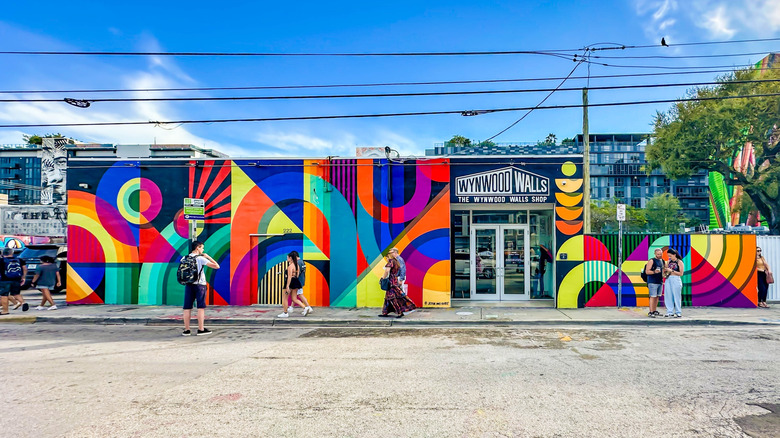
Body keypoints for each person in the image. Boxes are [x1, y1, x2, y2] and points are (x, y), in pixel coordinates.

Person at [182, 241, 219, 336]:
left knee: (187, 308)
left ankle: (186, 330)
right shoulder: (201, 259)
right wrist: (208, 257)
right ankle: (201, 329)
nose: (203, 250)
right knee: (200, 307)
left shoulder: (184, 258)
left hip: (189, 284)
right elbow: (217, 266)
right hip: (200, 285)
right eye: (202, 247)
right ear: (197, 248)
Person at [378, 251, 416, 318]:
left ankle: (400, 312)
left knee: (393, 298)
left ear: (388, 256)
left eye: (386, 257)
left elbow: (387, 271)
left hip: (391, 282)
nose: (386, 259)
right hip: (395, 281)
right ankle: (385, 312)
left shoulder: (390, 262)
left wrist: (382, 278)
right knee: (388, 297)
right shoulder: (396, 262)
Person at [278, 252, 309, 317]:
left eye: (287, 257)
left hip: (290, 282)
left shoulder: (290, 266)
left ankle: (285, 313)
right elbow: (297, 275)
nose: (287, 259)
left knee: (285, 298)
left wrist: (287, 286)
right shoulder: (297, 265)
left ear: (290, 258)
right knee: (294, 298)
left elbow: (289, 277)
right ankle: (305, 307)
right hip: (295, 282)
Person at [0, 247, 28, 313]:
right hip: (16, 279)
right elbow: (25, 269)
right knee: (16, 293)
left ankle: (5, 310)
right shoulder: (19, 260)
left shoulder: (1, 260)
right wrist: (23, 277)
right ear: (12, 253)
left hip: (4, 280)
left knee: (4, 295)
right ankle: (23, 303)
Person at [285, 251, 313, 316]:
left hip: (298, 281)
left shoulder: (297, 263)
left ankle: (308, 307)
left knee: (299, 294)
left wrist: (292, 277)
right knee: (294, 296)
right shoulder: (302, 262)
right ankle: (291, 307)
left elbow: (296, 273)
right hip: (300, 280)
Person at [663, 249, 684, 318]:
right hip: (668, 278)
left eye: (670, 256)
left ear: (674, 255)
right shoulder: (669, 262)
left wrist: (671, 270)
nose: (669, 257)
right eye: (668, 256)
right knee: (668, 295)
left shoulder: (679, 262)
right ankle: (669, 311)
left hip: (676, 279)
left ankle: (678, 312)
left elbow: (681, 273)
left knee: (676, 296)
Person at [645, 248, 665, 318]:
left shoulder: (662, 261)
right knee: (652, 296)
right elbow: (647, 271)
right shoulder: (652, 260)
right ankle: (650, 311)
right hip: (652, 281)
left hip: (659, 281)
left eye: (660, 254)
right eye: (658, 254)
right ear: (655, 254)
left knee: (657, 296)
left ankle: (654, 310)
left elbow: (663, 270)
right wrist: (654, 272)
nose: (659, 255)